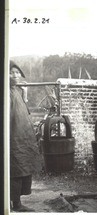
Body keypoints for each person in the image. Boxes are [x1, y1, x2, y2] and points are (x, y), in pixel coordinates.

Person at [10, 60, 41, 212]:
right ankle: (15, 204)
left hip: (22, 137)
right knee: (14, 170)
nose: (15, 75)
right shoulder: (6, 91)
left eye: (17, 72)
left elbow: (25, 111)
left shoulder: (16, 90)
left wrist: (25, 93)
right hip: (13, 137)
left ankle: (17, 203)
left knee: (22, 168)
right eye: (11, 72)